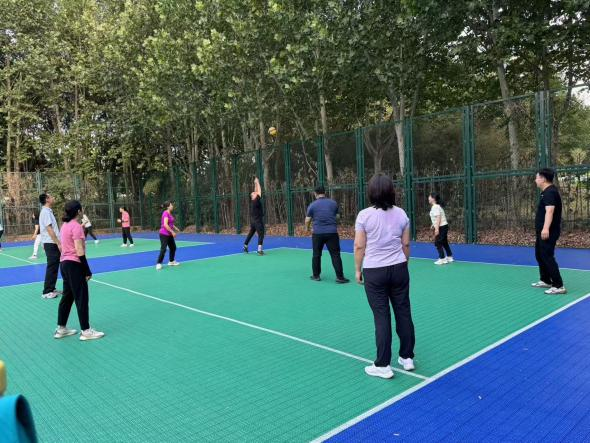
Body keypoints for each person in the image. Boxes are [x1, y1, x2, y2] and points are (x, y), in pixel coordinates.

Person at [354, 174, 415, 379]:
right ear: (391, 191)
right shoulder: (402, 214)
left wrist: (357, 269)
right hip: (399, 268)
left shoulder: (364, 216)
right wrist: (404, 263)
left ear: (371, 192)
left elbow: (359, 246)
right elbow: (406, 244)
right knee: (403, 311)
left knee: (381, 316)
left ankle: (382, 365)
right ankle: (407, 357)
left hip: (374, 271)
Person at [54, 200, 104, 341]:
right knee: (81, 297)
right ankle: (86, 331)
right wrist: (87, 270)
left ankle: (61, 329)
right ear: (78, 211)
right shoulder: (76, 227)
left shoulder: (65, 225)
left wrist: (82, 228)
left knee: (68, 297)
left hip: (64, 264)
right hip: (74, 265)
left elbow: (70, 241)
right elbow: (79, 249)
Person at [305, 185, 349, 283]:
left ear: (315, 193)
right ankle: (340, 277)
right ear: (325, 192)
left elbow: (307, 220)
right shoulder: (333, 203)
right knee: (335, 255)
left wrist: (307, 228)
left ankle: (316, 276)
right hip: (332, 233)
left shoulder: (312, 205)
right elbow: (337, 217)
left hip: (317, 233)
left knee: (316, 254)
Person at [532, 168, 566, 295]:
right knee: (539, 255)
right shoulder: (546, 192)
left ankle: (558, 286)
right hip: (542, 230)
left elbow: (550, 211)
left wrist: (546, 228)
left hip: (549, 231)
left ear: (543, 179)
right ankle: (545, 280)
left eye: (537, 178)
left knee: (547, 256)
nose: (535, 180)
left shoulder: (550, 192)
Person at [39, 193, 62, 299]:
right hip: (51, 243)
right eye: (51, 196)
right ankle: (47, 291)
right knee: (52, 267)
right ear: (47, 199)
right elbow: (49, 229)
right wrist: (58, 242)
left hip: (51, 242)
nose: (53, 197)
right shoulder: (45, 212)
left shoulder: (48, 211)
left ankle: (51, 288)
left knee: (54, 266)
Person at [428, 193, 453, 265]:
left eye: (429, 197)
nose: (428, 198)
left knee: (438, 243)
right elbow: (437, 217)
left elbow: (438, 217)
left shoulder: (435, 207)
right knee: (444, 242)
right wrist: (433, 224)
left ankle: (442, 259)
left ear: (433, 199)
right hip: (444, 226)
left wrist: (437, 229)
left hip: (441, 227)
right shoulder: (437, 206)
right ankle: (449, 256)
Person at [156, 201, 181, 270]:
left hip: (169, 234)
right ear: (168, 207)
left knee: (173, 247)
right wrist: (172, 232)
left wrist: (175, 228)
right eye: (171, 205)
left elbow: (171, 223)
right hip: (164, 234)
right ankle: (159, 263)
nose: (172, 206)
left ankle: (171, 261)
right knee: (163, 249)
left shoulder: (169, 213)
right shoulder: (165, 213)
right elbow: (165, 224)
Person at [243, 177, 265, 255]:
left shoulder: (254, 201)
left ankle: (245, 246)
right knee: (261, 234)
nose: (255, 192)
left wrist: (255, 183)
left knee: (251, 233)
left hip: (253, 221)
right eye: (254, 193)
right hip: (257, 221)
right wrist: (258, 182)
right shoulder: (256, 200)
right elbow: (259, 192)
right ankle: (259, 250)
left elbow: (256, 191)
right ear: (253, 196)